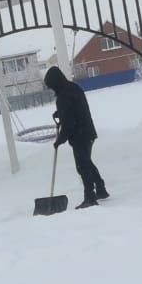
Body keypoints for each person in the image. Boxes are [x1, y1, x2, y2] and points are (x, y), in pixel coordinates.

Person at [43, 65, 108, 209]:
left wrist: (60, 140)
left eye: (51, 86)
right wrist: (59, 113)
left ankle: (90, 198)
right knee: (86, 162)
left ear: (55, 82)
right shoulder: (73, 88)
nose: (51, 89)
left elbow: (69, 123)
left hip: (80, 135)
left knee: (82, 166)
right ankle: (101, 189)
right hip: (88, 132)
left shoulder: (63, 96)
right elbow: (74, 109)